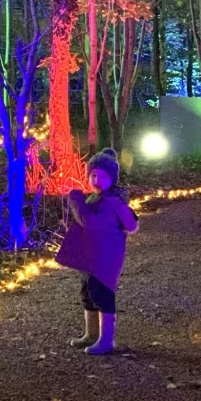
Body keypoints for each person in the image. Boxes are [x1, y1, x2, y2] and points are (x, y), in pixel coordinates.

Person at [55, 148, 139, 355]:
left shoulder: (111, 203)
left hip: (104, 257)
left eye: (102, 176)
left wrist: (75, 200)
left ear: (112, 178)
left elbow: (90, 222)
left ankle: (106, 339)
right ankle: (91, 334)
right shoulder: (96, 198)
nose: (97, 180)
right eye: (93, 175)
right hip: (90, 255)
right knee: (87, 293)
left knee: (101, 294)